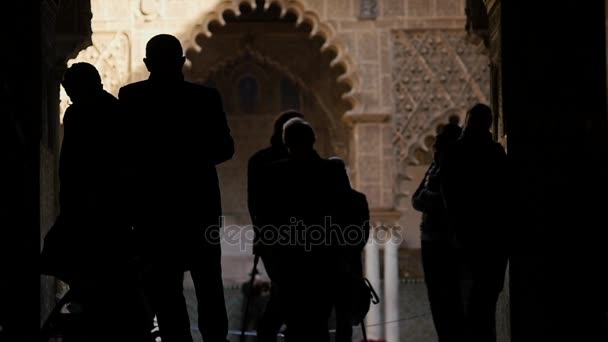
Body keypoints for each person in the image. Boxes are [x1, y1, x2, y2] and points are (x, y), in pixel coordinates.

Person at [118, 34, 234, 342]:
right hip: (199, 208)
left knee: (165, 288)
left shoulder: (131, 97)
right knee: (208, 284)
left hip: (152, 211)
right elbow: (225, 148)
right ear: (182, 62)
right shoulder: (205, 99)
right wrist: (191, 156)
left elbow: (123, 153)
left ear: (147, 63)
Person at [53, 62, 152, 342]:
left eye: (71, 89)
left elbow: (85, 166)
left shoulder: (101, 113)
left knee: (103, 280)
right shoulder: (101, 111)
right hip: (98, 212)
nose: (69, 95)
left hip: (101, 213)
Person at [256, 118, 350, 342]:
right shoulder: (332, 171)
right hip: (322, 266)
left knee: (276, 327)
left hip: (290, 267)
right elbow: (346, 214)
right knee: (316, 326)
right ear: (313, 140)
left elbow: (266, 220)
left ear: (286, 143)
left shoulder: (274, 174)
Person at [440, 103, 510, 342]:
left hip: (465, 239)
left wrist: (456, 229)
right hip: (492, 239)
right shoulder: (495, 153)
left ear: (468, 121)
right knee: (486, 302)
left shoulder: (454, 154)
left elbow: (449, 195)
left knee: (470, 303)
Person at [247, 109, 304, 342]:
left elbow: (255, 204)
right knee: (289, 294)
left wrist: (261, 235)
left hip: (277, 242)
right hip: (296, 243)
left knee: (285, 293)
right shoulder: (293, 163)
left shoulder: (259, 161)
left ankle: (271, 334)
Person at [412, 120, 465, 342]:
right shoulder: (434, 168)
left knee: (450, 301)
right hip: (432, 242)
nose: (435, 149)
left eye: (439, 145)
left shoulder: (460, 168)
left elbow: (452, 203)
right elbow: (417, 199)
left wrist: (430, 199)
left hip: (448, 244)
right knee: (438, 300)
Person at [327, 157, 370, 342]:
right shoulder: (358, 199)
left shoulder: (321, 201)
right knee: (344, 321)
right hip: (349, 269)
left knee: (321, 319)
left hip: (326, 268)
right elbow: (362, 235)